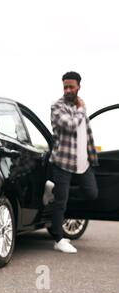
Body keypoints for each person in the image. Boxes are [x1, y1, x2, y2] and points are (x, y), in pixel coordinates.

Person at [49, 71, 98, 254]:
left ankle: (54, 192)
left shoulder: (80, 107)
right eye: (65, 87)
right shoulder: (57, 107)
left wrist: (93, 157)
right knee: (61, 202)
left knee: (92, 193)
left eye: (71, 86)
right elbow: (69, 126)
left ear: (79, 87)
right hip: (63, 161)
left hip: (83, 163)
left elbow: (87, 133)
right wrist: (81, 110)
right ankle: (58, 239)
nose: (68, 90)